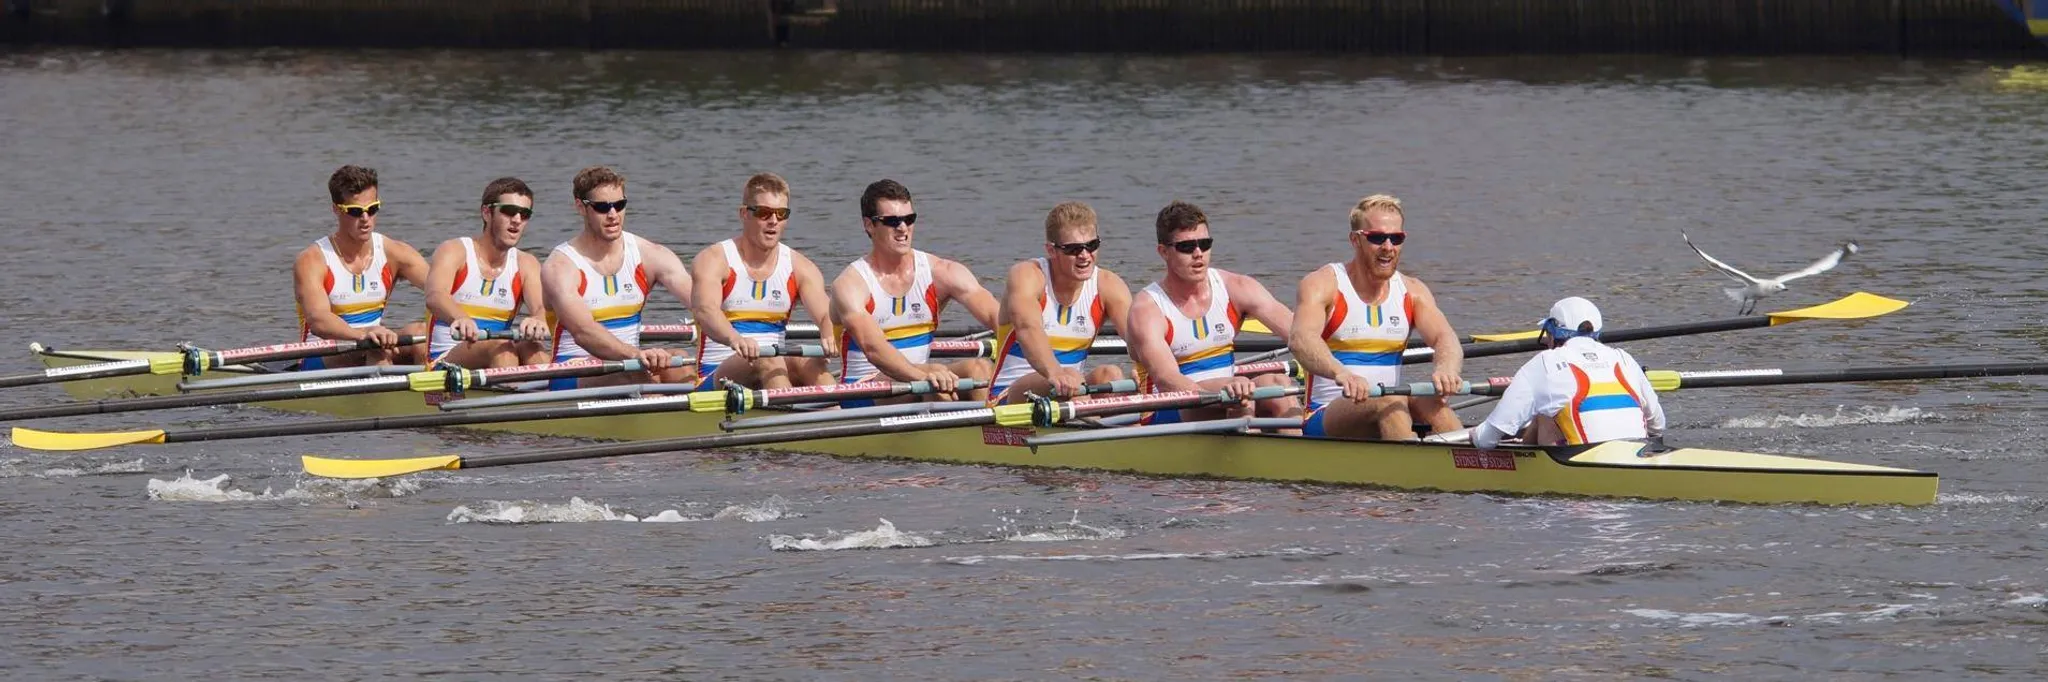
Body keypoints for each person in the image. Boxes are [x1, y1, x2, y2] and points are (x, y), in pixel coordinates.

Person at [1290, 194, 1466, 439]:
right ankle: (1409, 467)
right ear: (1355, 240)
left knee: (1430, 398)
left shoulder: (1413, 291)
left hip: (1389, 404)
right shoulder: (1323, 284)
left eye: (1396, 238)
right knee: (1390, 398)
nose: (1388, 247)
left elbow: (1445, 337)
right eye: (1376, 238)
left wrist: (1446, 369)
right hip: (1327, 413)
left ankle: (1472, 462)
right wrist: (1341, 373)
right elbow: (1301, 340)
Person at [1126, 200, 1298, 423]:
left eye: (1205, 244)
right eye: (1187, 247)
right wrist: (1223, 392)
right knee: (1238, 395)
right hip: (1170, 409)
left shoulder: (1236, 287)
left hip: (1230, 395)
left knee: (1278, 385)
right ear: (1164, 252)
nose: (1198, 253)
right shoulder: (1147, 308)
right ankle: (1249, 445)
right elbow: (1167, 379)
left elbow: (1300, 335)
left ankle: (1303, 448)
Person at [830, 179, 1000, 404]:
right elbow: (874, 349)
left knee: (979, 367)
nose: (902, 228)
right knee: (936, 376)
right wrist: (924, 375)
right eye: (892, 221)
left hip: (922, 381)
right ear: (869, 225)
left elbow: (1000, 318)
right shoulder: (851, 284)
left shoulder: (942, 272)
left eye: (909, 219)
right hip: (863, 391)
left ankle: (989, 431)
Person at [541, 166, 697, 389]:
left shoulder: (650, 254)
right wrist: (635, 354)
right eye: (602, 207)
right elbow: (584, 332)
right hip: (572, 371)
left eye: (619, 205)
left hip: (631, 364)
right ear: (581, 207)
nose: (613, 214)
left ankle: (691, 415)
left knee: (678, 361)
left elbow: (703, 304)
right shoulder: (561, 266)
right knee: (628, 374)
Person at [689, 172, 837, 391]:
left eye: (781, 213)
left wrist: (828, 334)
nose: (773, 221)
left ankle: (835, 414)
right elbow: (706, 311)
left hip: (773, 367)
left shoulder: (801, 267)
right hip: (716, 377)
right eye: (764, 213)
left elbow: (827, 314)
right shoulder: (713, 259)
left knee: (811, 363)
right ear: (744, 214)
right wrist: (735, 339)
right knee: (766, 358)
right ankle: (787, 419)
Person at [987, 201, 1134, 404]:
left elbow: (1139, 340)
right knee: (1069, 380)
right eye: (1073, 249)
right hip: (1009, 398)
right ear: (1052, 250)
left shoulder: (1109, 285)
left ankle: (1115, 427)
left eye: (1091, 246)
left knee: (1111, 373)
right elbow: (1028, 328)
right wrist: (1055, 373)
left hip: (1071, 391)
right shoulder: (1028, 276)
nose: (1084, 256)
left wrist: (1146, 368)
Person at [1473, 298, 1665, 449]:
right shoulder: (1623, 358)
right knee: (1549, 411)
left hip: (1582, 465)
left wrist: (1473, 436)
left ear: (1552, 333)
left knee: (1544, 412)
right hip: (1637, 452)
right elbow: (1657, 426)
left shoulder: (1545, 362)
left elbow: (1486, 440)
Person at [293, 164, 432, 369]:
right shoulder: (312, 260)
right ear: (336, 209)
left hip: (373, 342)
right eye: (356, 211)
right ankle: (386, 397)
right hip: (321, 356)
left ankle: (432, 395)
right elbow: (319, 320)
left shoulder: (394, 252)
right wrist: (364, 334)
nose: (366, 219)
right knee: (375, 347)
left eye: (372, 209)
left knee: (421, 333)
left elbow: (443, 292)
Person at [422, 177, 552, 368]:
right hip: (446, 360)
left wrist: (539, 320)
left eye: (524, 214)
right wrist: (460, 318)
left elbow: (541, 307)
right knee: (501, 346)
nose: (517, 220)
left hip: (497, 356)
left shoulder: (527, 264)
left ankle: (548, 393)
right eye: (509, 212)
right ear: (486, 213)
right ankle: (516, 391)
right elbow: (435, 296)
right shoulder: (454, 251)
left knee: (531, 346)